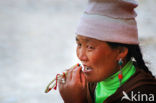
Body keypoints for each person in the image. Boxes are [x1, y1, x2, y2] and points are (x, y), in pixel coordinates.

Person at [58, 0, 156, 103]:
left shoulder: (143, 93)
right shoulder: (88, 84)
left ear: (120, 52)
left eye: (90, 47)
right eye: (79, 44)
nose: (81, 56)